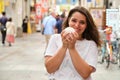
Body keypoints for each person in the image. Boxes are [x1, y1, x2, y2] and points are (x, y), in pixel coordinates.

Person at [44, 6, 101, 80]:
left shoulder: (91, 44)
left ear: (86, 26)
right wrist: (64, 46)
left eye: (82, 22)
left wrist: (72, 48)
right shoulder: (55, 39)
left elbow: (85, 74)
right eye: (74, 20)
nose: (77, 25)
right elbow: (49, 69)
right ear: (68, 21)